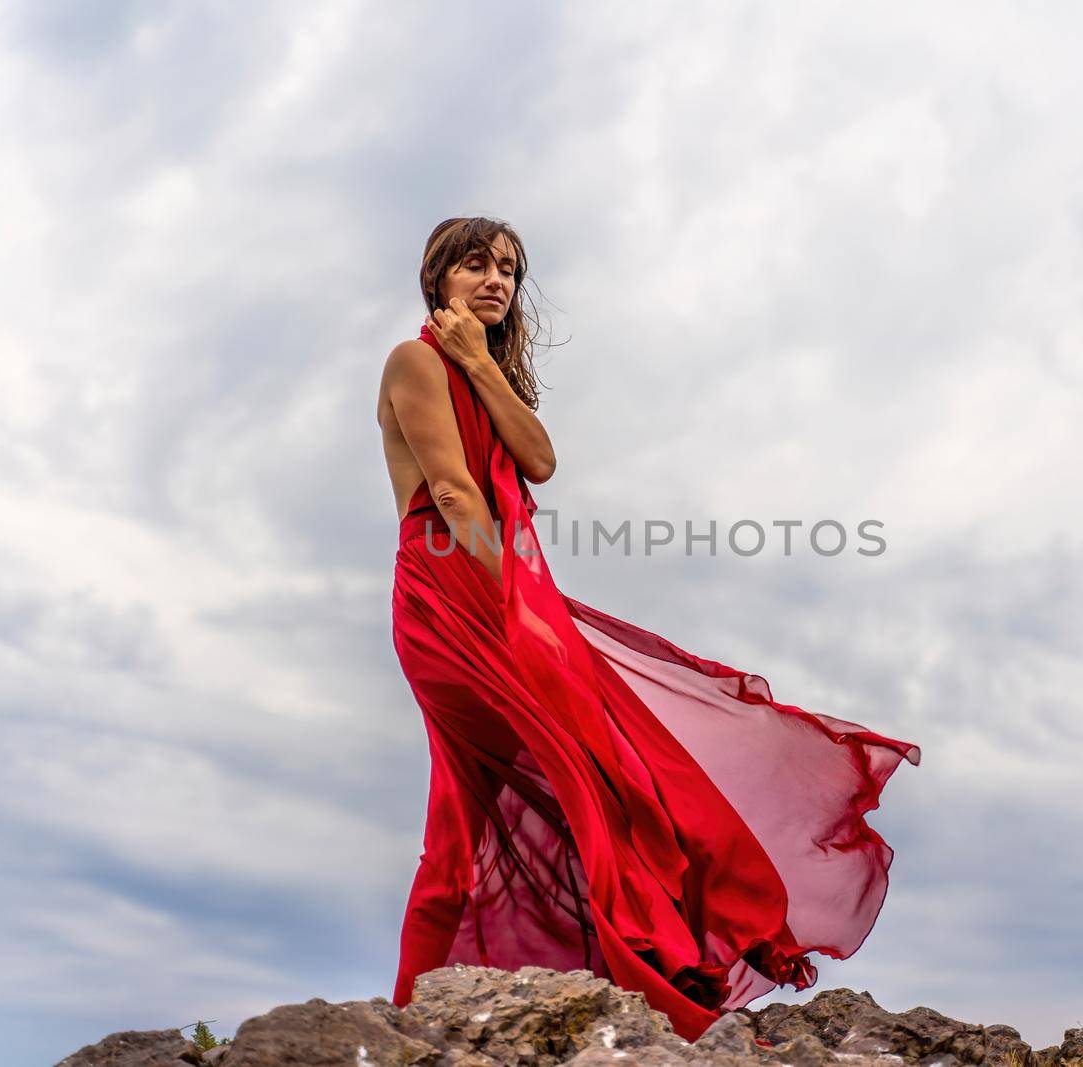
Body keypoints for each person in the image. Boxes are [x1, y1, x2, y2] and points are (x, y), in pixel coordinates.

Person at [377, 216, 920, 1042]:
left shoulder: (478, 368)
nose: (496, 281)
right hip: (455, 598)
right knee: (584, 774)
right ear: (437, 275)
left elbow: (541, 459)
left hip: (501, 596)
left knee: (520, 797)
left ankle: (414, 1017)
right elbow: (454, 495)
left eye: (511, 272)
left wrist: (484, 366)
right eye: (477, 265)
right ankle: (636, 974)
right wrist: (524, 613)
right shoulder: (414, 361)